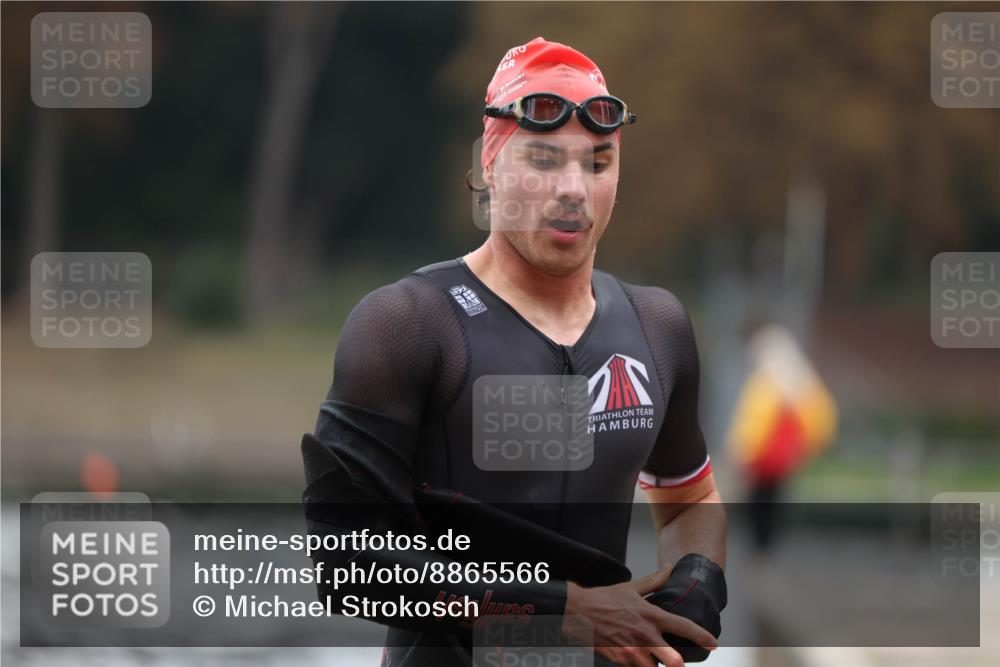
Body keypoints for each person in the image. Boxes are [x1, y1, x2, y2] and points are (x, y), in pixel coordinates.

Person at [301, 36, 727, 667]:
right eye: (545, 160)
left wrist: (697, 578)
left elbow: (689, 500)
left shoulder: (656, 327)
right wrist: (565, 613)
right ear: (489, 167)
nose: (574, 189)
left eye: (598, 163)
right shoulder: (409, 324)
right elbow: (347, 559)